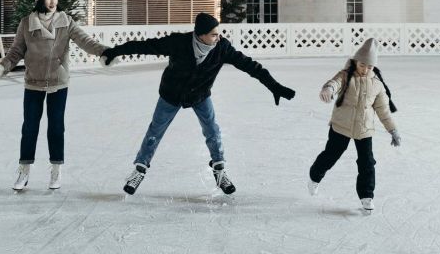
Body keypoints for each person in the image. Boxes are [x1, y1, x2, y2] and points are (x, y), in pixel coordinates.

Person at [100, 12, 296, 195]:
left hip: (200, 95)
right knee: (155, 131)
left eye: (218, 34)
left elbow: (251, 66)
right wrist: (115, 51)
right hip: (172, 94)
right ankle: (139, 170)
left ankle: (219, 171)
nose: (217, 37)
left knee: (212, 130)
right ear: (200, 35)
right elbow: (145, 46)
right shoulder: (178, 42)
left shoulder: (222, 48)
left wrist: (274, 86)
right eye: (213, 34)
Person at [0, 0, 106, 191]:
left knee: (56, 127)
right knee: (30, 127)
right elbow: (15, 52)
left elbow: (85, 41)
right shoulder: (27, 23)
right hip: (33, 83)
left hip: (59, 81)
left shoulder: (66, 22)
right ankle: (24, 170)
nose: (53, 2)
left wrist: (104, 52)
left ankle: (56, 170)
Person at [308, 38, 400, 212]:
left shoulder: (377, 85)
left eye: (369, 66)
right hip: (341, 125)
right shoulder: (346, 75)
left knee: (367, 163)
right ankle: (314, 176)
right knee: (331, 155)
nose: (365, 69)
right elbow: (335, 83)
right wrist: (328, 89)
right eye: (362, 65)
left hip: (364, 129)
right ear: (356, 61)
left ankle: (366, 196)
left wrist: (392, 130)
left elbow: (383, 110)